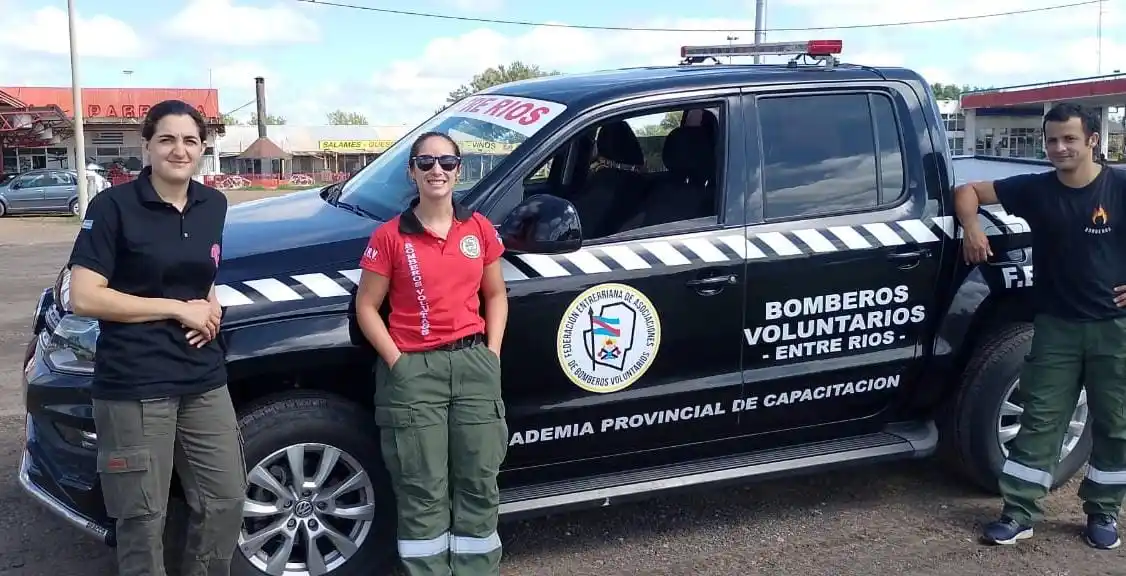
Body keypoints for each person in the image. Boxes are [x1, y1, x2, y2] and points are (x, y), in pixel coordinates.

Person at [66, 99, 246, 575]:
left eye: (190, 141)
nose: (178, 150)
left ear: (203, 148)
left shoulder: (213, 204)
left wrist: (209, 304)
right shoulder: (113, 207)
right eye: (166, 139)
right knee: (143, 519)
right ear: (147, 145)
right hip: (135, 382)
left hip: (202, 376)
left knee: (226, 500)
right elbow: (84, 296)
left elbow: (201, 270)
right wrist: (175, 308)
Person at [956, 102, 1126, 550]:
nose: (1059, 148)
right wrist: (972, 228)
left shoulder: (1120, 186)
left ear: (1093, 140)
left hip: (1116, 329)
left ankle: (1103, 511)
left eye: (1069, 138)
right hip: (1055, 328)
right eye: (1052, 140)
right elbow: (967, 191)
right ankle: (1019, 513)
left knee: (1116, 424)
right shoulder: (1035, 189)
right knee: (1040, 419)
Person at [355, 131, 509, 575]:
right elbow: (367, 306)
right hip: (413, 372)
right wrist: (397, 362)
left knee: (479, 481)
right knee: (422, 488)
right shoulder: (389, 236)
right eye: (425, 162)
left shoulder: (478, 229)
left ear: (459, 170)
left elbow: (496, 295)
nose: (436, 170)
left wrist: (492, 353)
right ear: (412, 171)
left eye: (446, 162)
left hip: (474, 364)